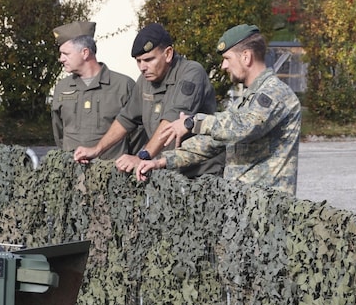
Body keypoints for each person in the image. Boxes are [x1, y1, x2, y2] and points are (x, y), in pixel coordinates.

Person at [136, 24, 301, 195]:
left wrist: (193, 122)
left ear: (246, 57)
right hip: (244, 206)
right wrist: (160, 162)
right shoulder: (245, 101)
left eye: (227, 58)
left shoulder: (275, 93)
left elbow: (244, 127)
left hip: (268, 210)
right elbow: (211, 142)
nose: (223, 66)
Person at [73, 23, 224, 177]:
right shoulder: (145, 80)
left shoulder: (191, 73)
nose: (142, 67)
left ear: (168, 54)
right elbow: (126, 118)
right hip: (164, 172)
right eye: (138, 61)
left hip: (200, 175)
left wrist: (141, 157)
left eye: (148, 60)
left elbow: (171, 122)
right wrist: (97, 149)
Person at [51, 21, 139, 160]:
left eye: (66, 53)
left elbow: (137, 132)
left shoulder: (123, 86)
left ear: (85, 53)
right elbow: (58, 132)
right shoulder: (63, 87)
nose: (61, 59)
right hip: (73, 174)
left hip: (113, 174)